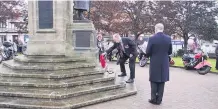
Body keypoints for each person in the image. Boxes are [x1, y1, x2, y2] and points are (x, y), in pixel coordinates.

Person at [146, 23, 172, 105]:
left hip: (154, 61)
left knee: (153, 80)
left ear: (156, 29)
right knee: (162, 81)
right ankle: (159, 100)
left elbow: (148, 51)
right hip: (164, 61)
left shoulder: (152, 38)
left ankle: (153, 99)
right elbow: (170, 51)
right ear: (163, 29)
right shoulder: (168, 38)